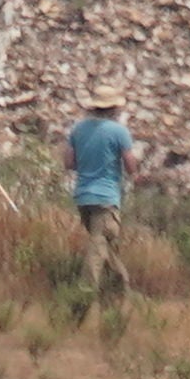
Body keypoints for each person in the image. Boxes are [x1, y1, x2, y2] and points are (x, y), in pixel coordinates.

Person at [66, 86, 138, 296]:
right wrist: (136, 174)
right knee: (98, 247)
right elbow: (130, 165)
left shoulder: (78, 130)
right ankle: (84, 294)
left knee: (107, 246)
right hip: (106, 197)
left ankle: (122, 293)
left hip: (83, 196)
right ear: (114, 109)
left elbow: (69, 162)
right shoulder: (119, 132)